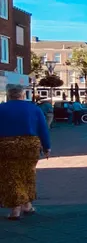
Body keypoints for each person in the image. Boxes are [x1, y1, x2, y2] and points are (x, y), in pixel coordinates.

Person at [0, 85, 51, 220]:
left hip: (6, 145)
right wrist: (47, 147)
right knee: (28, 173)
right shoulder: (34, 108)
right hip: (30, 145)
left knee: (11, 175)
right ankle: (27, 205)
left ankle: (15, 208)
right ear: (23, 95)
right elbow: (43, 129)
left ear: (9, 95)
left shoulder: (1, 108)